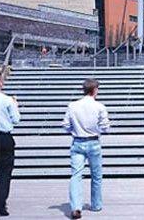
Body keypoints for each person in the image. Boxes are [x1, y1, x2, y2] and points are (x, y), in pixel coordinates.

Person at [62, 78, 110, 219]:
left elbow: (65, 125)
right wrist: (99, 130)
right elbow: (106, 127)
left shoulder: (72, 106)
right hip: (93, 141)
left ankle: (76, 206)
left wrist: (74, 130)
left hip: (77, 141)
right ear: (95, 90)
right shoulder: (100, 106)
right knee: (96, 175)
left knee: (76, 175)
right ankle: (96, 204)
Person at [0, 74, 22, 217]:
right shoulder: (7, 100)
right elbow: (16, 120)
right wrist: (16, 105)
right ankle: (1, 204)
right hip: (3, 137)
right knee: (5, 173)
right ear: (1, 82)